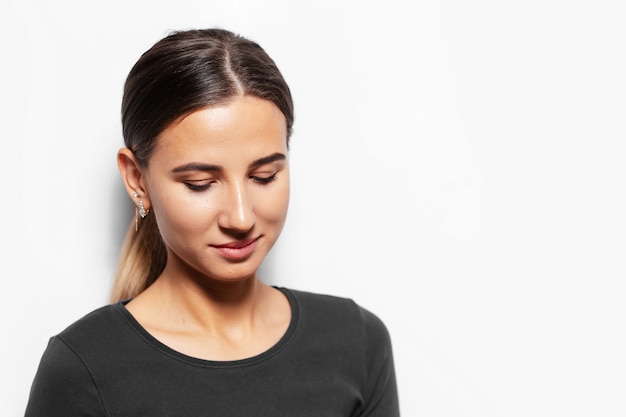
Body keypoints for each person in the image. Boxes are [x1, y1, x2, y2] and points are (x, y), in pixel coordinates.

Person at [24, 28, 399, 416]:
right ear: (137, 179)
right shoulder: (84, 368)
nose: (241, 217)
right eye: (200, 184)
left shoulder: (356, 342)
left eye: (264, 176)